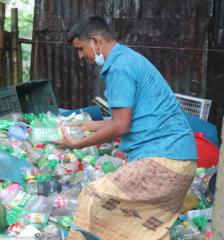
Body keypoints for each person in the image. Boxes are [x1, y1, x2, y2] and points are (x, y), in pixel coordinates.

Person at [57, 16, 198, 240]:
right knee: (143, 226)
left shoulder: (120, 67)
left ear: (95, 40)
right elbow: (123, 120)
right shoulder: (128, 59)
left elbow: (120, 126)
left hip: (164, 160)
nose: (81, 56)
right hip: (180, 159)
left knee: (94, 195)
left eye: (81, 49)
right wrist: (84, 125)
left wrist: (78, 143)